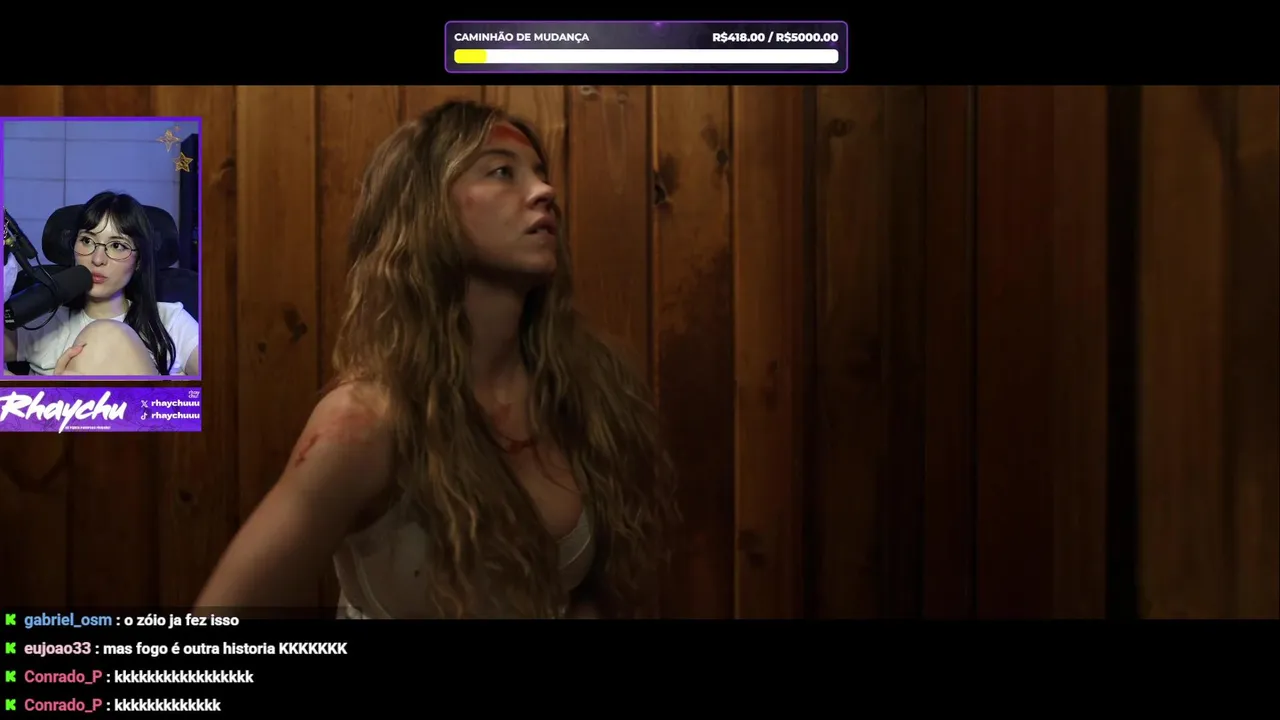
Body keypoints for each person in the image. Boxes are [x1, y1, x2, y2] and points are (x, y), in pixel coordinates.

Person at [197, 100, 678, 619]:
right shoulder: (364, 424)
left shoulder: (587, 389)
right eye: (502, 172)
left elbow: (585, 596)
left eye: (540, 173)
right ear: (429, 208)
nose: (545, 191)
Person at [3, 191, 199, 377]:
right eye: (87, 241)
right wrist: (42, 391)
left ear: (139, 260)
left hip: (144, 404)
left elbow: (215, 382)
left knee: (104, 333)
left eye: (117, 245)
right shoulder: (43, 322)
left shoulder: (171, 321)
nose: (97, 259)